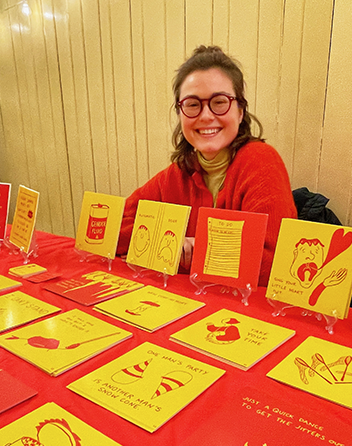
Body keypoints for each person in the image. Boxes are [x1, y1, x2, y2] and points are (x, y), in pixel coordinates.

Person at [117, 45, 297, 286]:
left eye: (219, 102)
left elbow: (272, 264)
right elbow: (115, 227)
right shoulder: (179, 172)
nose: (205, 116)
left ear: (240, 111)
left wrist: (190, 251)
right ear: (180, 114)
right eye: (192, 105)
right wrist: (174, 243)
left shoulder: (261, 161)